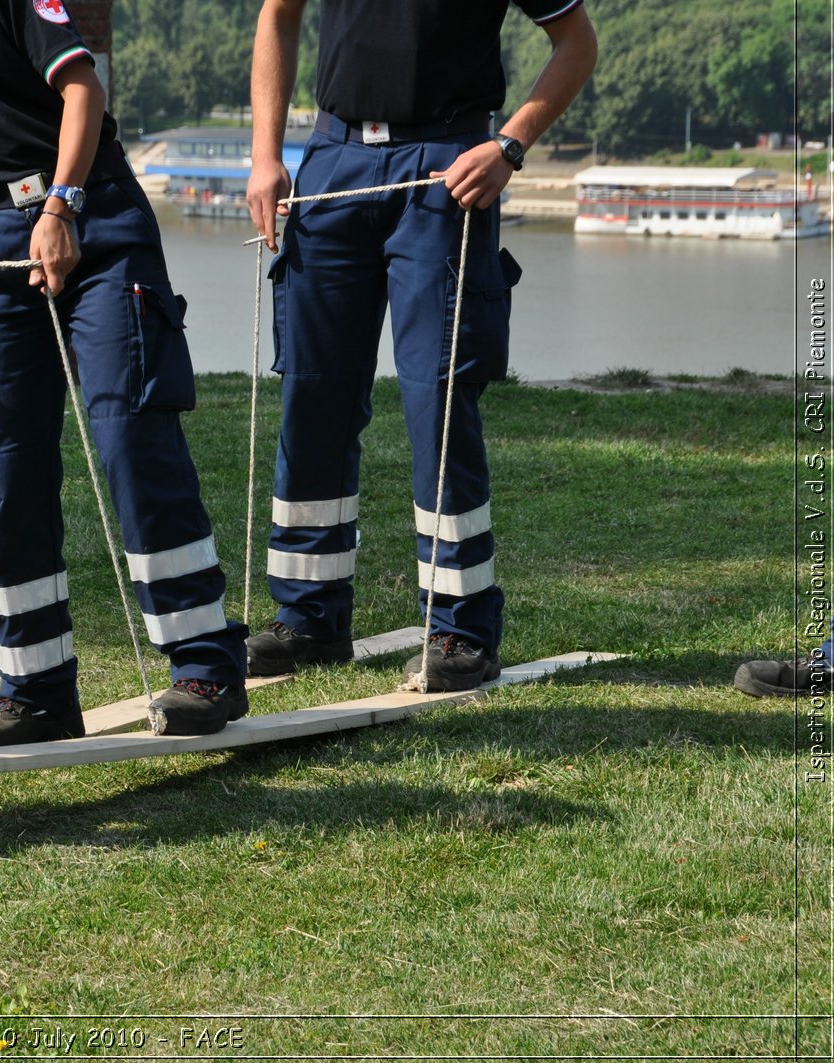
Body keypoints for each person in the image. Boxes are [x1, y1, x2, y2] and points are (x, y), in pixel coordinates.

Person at [0, 0, 249, 740]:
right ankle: (35, 691)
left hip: (91, 216)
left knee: (131, 436)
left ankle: (205, 665)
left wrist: (60, 208)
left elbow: (82, 88)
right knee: (3, 468)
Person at [244, 0, 597, 691]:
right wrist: (264, 155)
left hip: (447, 168)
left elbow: (576, 42)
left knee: (436, 400)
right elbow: (276, 15)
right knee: (313, 398)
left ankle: (462, 631)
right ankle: (310, 618)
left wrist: (510, 146)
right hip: (332, 161)